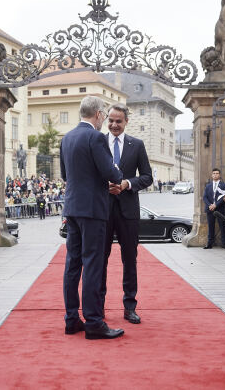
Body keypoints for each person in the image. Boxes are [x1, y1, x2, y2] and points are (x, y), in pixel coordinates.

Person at [60, 96, 124, 340]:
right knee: (93, 265)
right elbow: (111, 174)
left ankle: (71, 319)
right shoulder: (96, 137)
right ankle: (94, 322)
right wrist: (116, 171)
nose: (104, 120)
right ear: (98, 114)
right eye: (105, 116)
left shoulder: (67, 138)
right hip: (93, 211)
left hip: (72, 208)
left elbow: (66, 175)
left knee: (72, 265)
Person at [103, 104, 153, 325]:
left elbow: (147, 177)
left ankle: (129, 306)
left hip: (128, 212)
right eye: (111, 120)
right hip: (102, 211)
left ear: (126, 121)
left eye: (118, 121)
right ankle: (98, 305)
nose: (114, 125)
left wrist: (127, 183)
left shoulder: (137, 145)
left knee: (129, 260)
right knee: (98, 261)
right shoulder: (98, 142)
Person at [203, 169, 225, 249]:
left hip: (220, 209)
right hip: (210, 209)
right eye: (214, 173)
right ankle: (209, 243)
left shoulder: (223, 185)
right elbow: (205, 197)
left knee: (223, 226)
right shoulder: (208, 186)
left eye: (217, 173)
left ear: (219, 175)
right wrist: (210, 205)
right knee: (211, 226)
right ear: (212, 175)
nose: (215, 175)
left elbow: (224, 197)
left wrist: (216, 205)